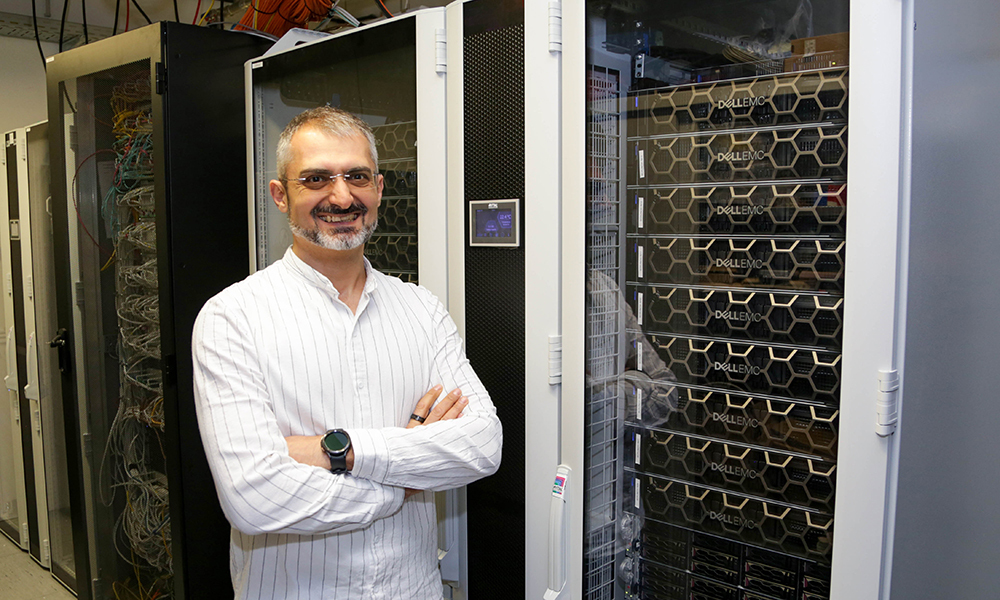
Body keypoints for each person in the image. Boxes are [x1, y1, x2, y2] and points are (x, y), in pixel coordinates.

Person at [191, 106, 502, 599]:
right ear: (280, 195)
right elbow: (253, 497)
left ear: (378, 188)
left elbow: (483, 444)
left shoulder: (421, 309)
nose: (341, 195)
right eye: (315, 179)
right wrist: (406, 474)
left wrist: (337, 450)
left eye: (356, 176)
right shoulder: (233, 318)